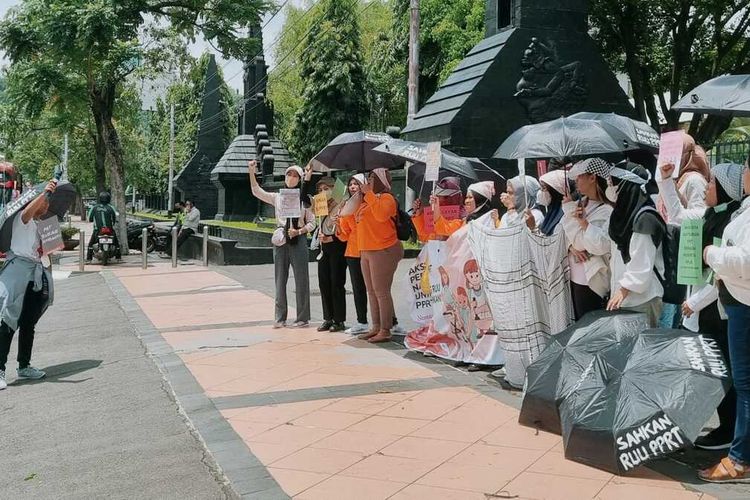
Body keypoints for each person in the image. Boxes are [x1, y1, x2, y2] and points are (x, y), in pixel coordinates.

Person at [659, 160, 745, 451]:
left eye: (711, 184)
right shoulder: (711, 215)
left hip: (716, 307)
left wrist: (694, 302)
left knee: (727, 372)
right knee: (717, 370)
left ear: (722, 189)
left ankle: (730, 431)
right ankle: (726, 427)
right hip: (705, 307)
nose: (707, 188)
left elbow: (721, 275)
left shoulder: (730, 221)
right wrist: (666, 180)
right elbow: (677, 214)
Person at [699, 152, 750, 483]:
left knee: (745, 384)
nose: (744, 171)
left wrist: (712, 255)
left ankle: (741, 459)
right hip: (738, 302)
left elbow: (745, 261)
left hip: (744, 306)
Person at [0, 179, 58, 390]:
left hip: (35, 272)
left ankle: (24, 366)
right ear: (35, 201)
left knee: (29, 321)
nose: (47, 206)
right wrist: (45, 193)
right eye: (44, 203)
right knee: (7, 319)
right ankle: (0, 368)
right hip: (17, 271)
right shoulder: (21, 219)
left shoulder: (43, 223)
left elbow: (48, 253)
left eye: (48, 203)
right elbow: (27, 213)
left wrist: (48, 248)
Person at [249, 160, 314, 328]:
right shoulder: (278, 197)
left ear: (300, 179)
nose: (291, 178)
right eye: (289, 174)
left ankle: (302, 317)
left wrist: (299, 231)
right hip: (281, 238)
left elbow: (312, 222)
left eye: (295, 175)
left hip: (298, 239)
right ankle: (280, 317)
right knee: (280, 279)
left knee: (301, 279)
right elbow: (257, 191)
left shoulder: (305, 199)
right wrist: (251, 171)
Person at [605, 162, 664, 327]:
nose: (610, 188)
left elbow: (641, 265)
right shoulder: (623, 216)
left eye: (612, 183)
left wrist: (622, 291)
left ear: (624, 185)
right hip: (624, 298)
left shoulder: (645, 218)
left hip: (643, 299)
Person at [562, 158, 614, 319]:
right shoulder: (580, 203)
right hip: (573, 277)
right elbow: (564, 234)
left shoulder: (606, 210)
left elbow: (587, 244)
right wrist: (570, 247)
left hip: (591, 282)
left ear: (592, 177)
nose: (576, 181)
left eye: (580, 176)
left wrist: (581, 222)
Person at [356, 168, 403, 343]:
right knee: (371, 291)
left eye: (372, 178)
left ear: (382, 181)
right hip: (366, 250)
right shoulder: (366, 200)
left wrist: (368, 195)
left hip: (383, 249)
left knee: (381, 291)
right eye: (368, 177)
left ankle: (385, 329)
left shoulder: (387, 198)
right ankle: (375, 326)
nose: (368, 180)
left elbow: (381, 216)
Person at [336, 175, 370, 334]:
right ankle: (362, 321)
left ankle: (390, 321)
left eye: (356, 184)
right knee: (358, 288)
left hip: (370, 250)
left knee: (377, 289)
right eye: (351, 184)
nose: (353, 187)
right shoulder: (348, 207)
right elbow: (344, 235)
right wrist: (340, 219)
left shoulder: (369, 203)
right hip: (353, 252)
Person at [314, 178, 347, 332]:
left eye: (326, 188)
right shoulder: (322, 207)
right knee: (324, 282)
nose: (323, 192)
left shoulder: (343, 202)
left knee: (336, 283)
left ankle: (339, 320)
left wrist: (331, 237)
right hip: (324, 248)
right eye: (320, 190)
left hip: (338, 245)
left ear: (334, 189)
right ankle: (328, 318)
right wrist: (321, 234)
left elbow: (345, 228)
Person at [411, 177, 465, 242]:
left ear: (452, 198)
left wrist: (436, 211)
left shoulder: (462, 217)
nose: (438, 199)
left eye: (442, 196)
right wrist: (418, 214)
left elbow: (444, 230)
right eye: (437, 196)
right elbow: (424, 237)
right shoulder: (433, 212)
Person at [87, 191, 120, 262]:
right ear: (109, 198)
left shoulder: (94, 208)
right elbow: (115, 219)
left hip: (97, 230)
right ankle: (118, 257)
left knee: (91, 244)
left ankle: (88, 258)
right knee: (116, 243)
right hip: (109, 230)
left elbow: (90, 219)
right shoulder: (111, 208)